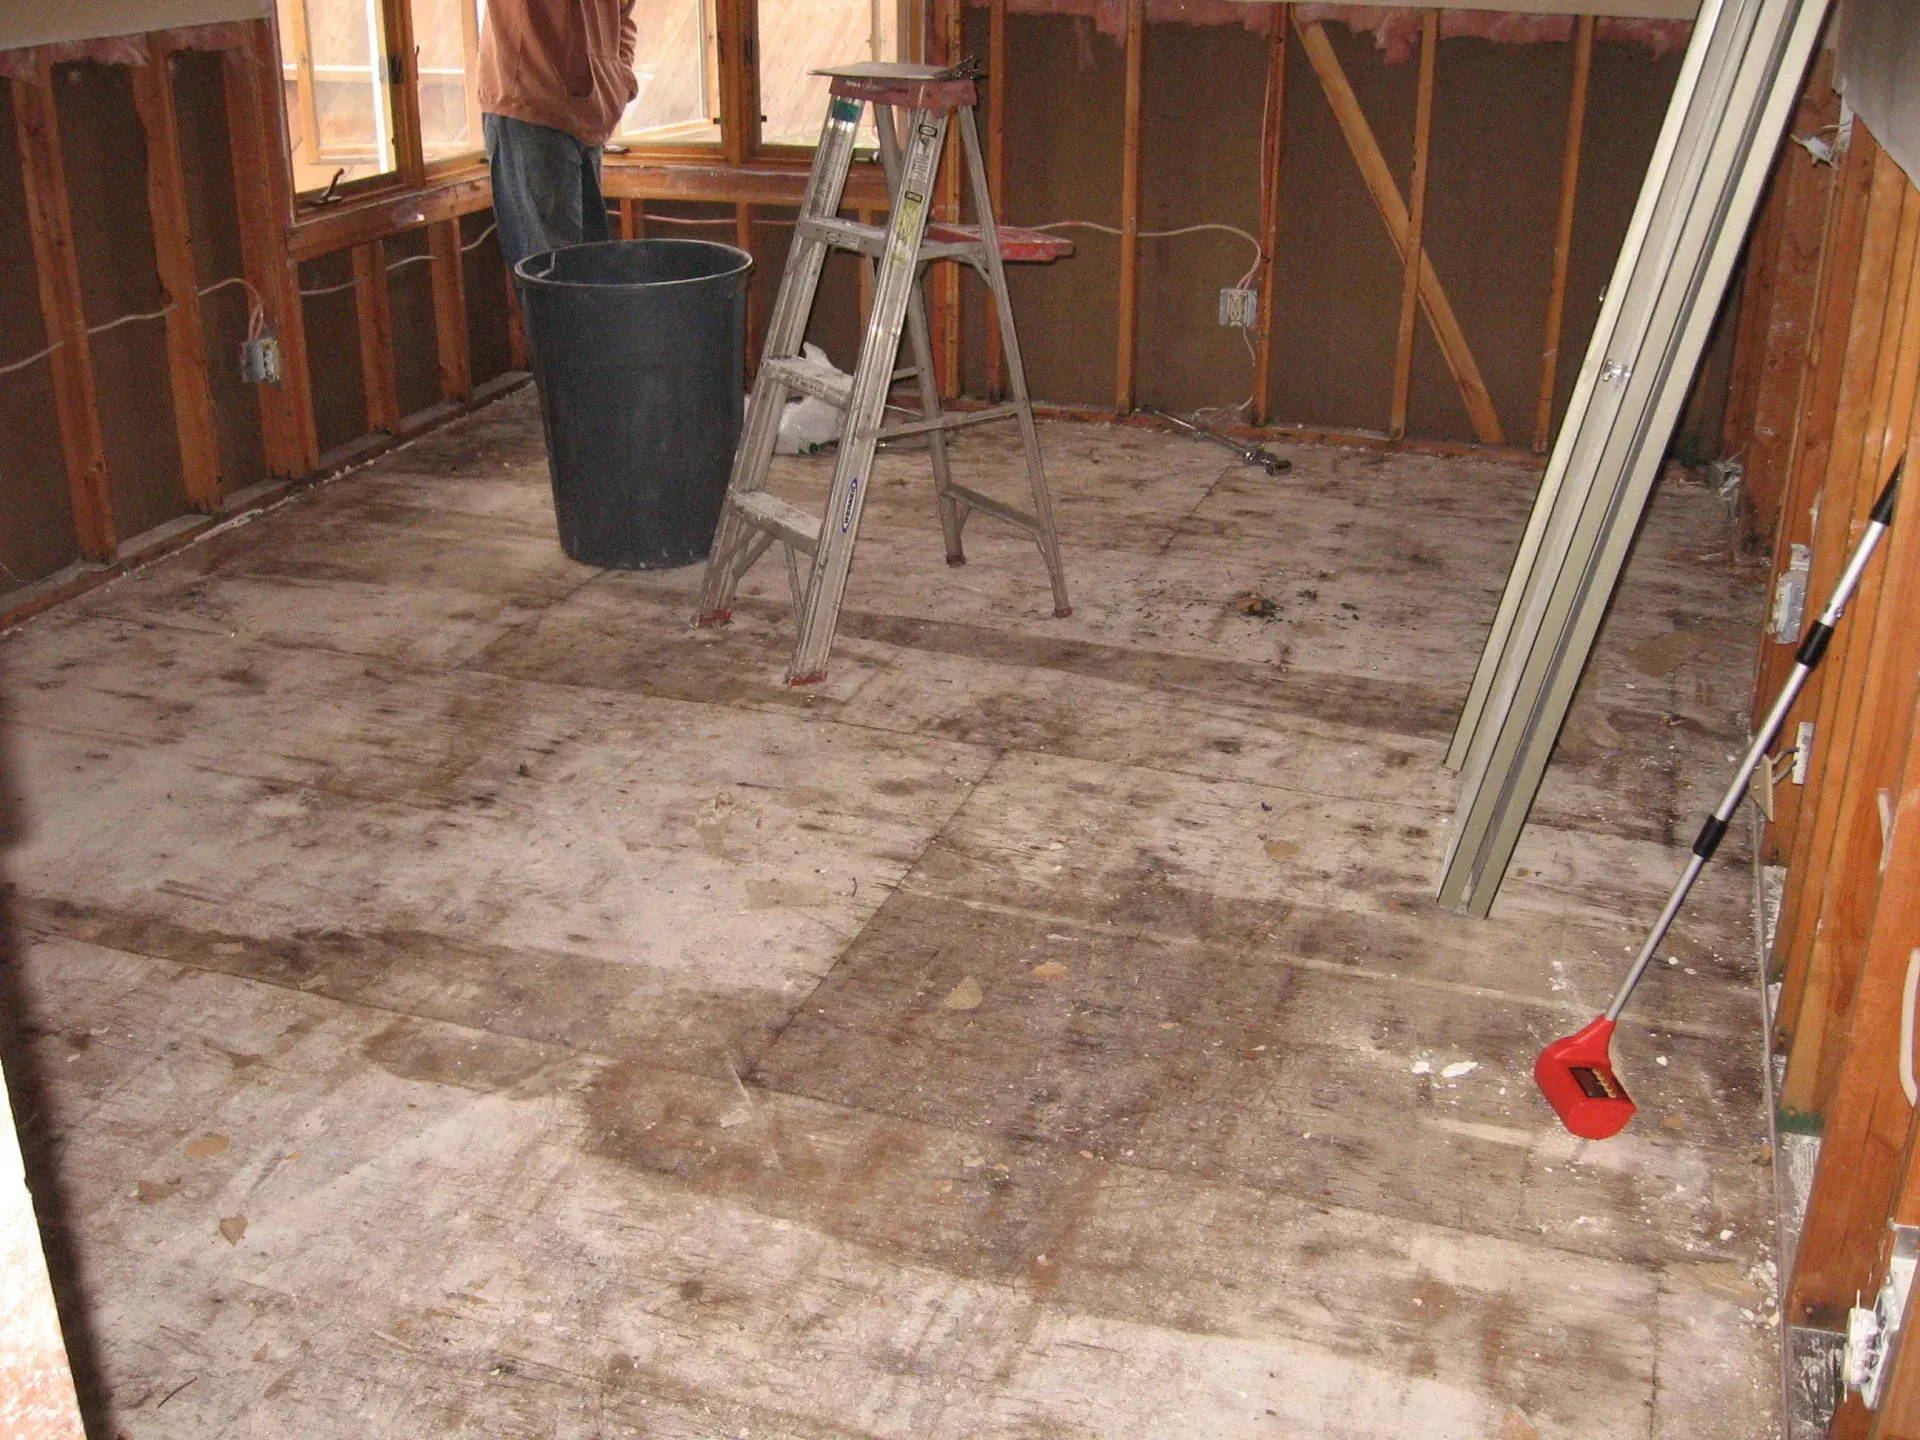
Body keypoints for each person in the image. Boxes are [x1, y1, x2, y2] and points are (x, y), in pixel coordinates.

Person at [477, 0, 639, 271]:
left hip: (589, 111)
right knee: (554, 273)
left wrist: (619, 79)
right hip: (533, 108)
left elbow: (624, 15)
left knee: (587, 273)